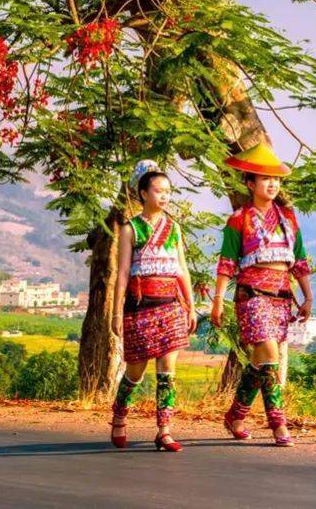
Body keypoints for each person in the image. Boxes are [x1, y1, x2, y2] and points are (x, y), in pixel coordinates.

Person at [210, 143, 313, 447]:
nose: (272, 184)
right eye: (265, 178)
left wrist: (308, 296)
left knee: (261, 360)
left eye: (276, 179)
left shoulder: (289, 220)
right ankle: (278, 423)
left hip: (280, 294)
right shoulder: (238, 220)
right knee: (268, 353)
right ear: (250, 183)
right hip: (252, 293)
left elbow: (300, 259)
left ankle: (235, 415)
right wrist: (217, 299)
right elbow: (227, 263)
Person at [110, 160, 197, 451]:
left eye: (168, 191)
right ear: (144, 193)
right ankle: (120, 415)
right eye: (158, 190)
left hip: (170, 304)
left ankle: (164, 430)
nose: (164, 196)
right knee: (136, 370)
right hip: (139, 305)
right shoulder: (130, 229)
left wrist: (191, 305)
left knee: (167, 369)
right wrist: (115, 311)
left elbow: (181, 269)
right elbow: (122, 272)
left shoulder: (174, 228)